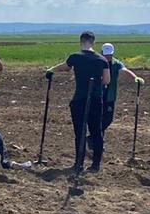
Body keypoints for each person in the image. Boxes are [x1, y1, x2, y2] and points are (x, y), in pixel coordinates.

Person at [45, 32, 108, 172]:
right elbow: (106, 80)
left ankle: (78, 163)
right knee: (96, 131)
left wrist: (51, 70)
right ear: (93, 42)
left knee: (80, 131)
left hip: (79, 99)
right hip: (96, 99)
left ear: (81, 42)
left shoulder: (75, 57)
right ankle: (95, 164)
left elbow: (65, 67)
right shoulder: (102, 59)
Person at [100, 43, 143, 134]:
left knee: (107, 119)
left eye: (109, 55)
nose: (108, 57)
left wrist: (135, 78)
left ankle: (95, 136)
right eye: (106, 55)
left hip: (110, 95)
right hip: (97, 94)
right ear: (101, 53)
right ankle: (96, 138)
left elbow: (124, 70)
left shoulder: (116, 63)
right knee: (97, 117)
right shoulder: (97, 62)